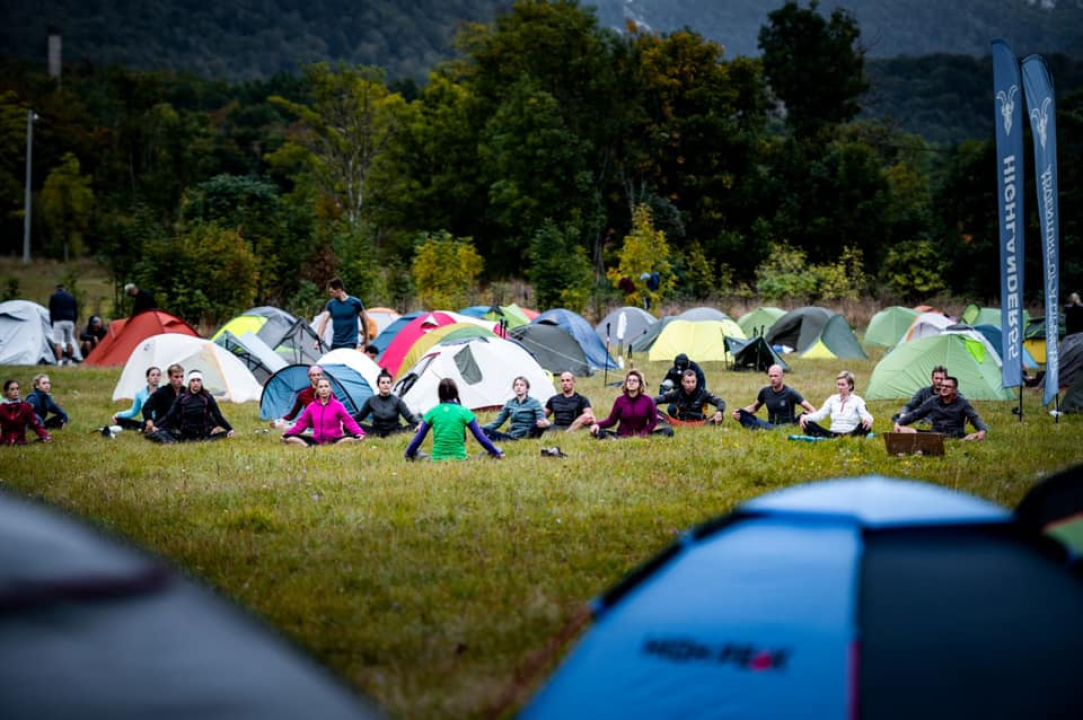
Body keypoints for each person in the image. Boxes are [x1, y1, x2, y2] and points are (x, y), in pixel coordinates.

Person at [405, 378, 504, 461]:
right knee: (496, 450)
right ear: (455, 393)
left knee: (417, 453)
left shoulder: (432, 412)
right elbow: (481, 438)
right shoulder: (465, 412)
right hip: (460, 459)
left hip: (436, 460)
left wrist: (408, 454)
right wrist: (496, 453)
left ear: (439, 395)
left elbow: (418, 439)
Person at [894, 375, 988, 441]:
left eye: (947, 386)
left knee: (975, 437)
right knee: (904, 430)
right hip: (934, 435)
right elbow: (917, 414)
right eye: (942, 386)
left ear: (954, 389)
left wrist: (982, 430)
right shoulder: (933, 400)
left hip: (956, 436)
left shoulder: (963, 402)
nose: (943, 388)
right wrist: (899, 422)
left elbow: (974, 418)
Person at [149, 370, 234, 443]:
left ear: (201, 382)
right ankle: (169, 441)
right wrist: (156, 426)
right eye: (193, 381)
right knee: (157, 433)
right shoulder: (182, 397)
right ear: (189, 383)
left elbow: (217, 415)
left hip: (203, 434)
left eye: (198, 380)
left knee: (227, 433)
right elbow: (170, 415)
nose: (196, 383)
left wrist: (229, 429)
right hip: (186, 435)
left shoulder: (207, 397)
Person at [590, 370, 673, 439]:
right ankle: (614, 439)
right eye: (629, 380)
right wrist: (597, 424)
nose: (631, 383)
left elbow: (653, 422)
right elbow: (611, 421)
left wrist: (642, 434)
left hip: (642, 435)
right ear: (626, 383)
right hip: (621, 436)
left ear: (640, 384)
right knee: (598, 433)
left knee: (668, 431)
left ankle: (614, 440)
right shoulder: (620, 400)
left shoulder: (647, 400)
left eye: (634, 381)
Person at [283, 378, 366, 446]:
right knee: (291, 438)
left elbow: (349, 422)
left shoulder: (338, 405)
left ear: (330, 389)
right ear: (317, 390)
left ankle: (338, 445)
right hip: (316, 440)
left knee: (349, 439)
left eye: (326, 386)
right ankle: (306, 446)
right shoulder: (312, 406)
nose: (323, 389)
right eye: (321, 387)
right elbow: (300, 425)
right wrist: (287, 434)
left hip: (335, 440)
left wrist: (359, 433)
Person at [733, 364, 816, 430]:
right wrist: (739, 413)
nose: (773, 379)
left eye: (776, 376)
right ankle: (759, 428)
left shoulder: (790, 392)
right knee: (742, 413)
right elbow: (754, 408)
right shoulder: (765, 391)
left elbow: (812, 409)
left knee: (804, 415)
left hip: (788, 426)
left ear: (782, 375)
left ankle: (758, 428)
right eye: (770, 376)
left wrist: (805, 417)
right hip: (769, 425)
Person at [799, 370, 874, 438]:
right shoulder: (832, 399)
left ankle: (849, 438)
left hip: (851, 433)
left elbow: (865, 415)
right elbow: (820, 415)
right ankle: (830, 438)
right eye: (838, 384)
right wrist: (806, 418)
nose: (840, 387)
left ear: (850, 386)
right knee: (807, 423)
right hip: (832, 434)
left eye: (843, 385)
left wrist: (868, 419)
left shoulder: (858, 400)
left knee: (866, 426)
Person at [354, 370, 419, 437]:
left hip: (395, 432)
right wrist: (345, 421)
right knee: (350, 425)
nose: (386, 385)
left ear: (391, 385)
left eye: (388, 382)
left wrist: (419, 423)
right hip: (376, 432)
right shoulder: (371, 400)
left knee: (415, 426)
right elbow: (360, 416)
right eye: (383, 383)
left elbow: (409, 417)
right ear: (378, 385)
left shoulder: (397, 401)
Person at [482, 377, 546, 441]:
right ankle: (507, 439)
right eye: (516, 385)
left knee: (538, 424)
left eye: (521, 385)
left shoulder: (534, 402)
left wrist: (542, 422)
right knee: (484, 431)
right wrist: (480, 429)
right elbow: (496, 423)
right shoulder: (509, 403)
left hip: (529, 432)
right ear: (513, 388)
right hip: (512, 435)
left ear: (527, 389)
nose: (518, 387)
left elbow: (541, 419)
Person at [315, 277, 369, 351]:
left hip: (350, 342)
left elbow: (364, 322)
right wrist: (318, 339)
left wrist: (366, 341)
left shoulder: (355, 303)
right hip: (336, 342)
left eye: (332, 292)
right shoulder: (331, 304)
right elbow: (324, 321)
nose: (330, 294)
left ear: (339, 290)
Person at [654, 369, 726, 424]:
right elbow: (659, 399)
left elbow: (720, 402)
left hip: (701, 423)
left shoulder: (703, 393)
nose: (691, 384)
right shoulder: (677, 393)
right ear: (682, 382)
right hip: (679, 423)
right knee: (653, 411)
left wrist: (719, 411)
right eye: (688, 382)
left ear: (696, 381)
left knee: (720, 416)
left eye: (693, 382)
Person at [1, 379, 52, 445]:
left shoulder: (25, 406)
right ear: (6, 392)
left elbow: (35, 424)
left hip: (20, 442)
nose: (16, 391)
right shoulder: (1, 407)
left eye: (17, 389)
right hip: (4, 442)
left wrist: (45, 436)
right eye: (12, 389)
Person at [114, 366, 160, 431]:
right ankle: (142, 428)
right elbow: (133, 412)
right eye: (153, 375)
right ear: (147, 378)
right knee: (119, 420)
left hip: (159, 423)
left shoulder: (164, 391)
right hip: (145, 423)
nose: (156, 377)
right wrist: (118, 414)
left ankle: (147, 429)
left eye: (158, 375)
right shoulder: (140, 394)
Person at [143, 364, 186, 433]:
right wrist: (149, 421)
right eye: (176, 377)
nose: (180, 380)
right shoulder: (161, 392)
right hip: (163, 425)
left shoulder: (186, 391)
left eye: (181, 376)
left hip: (182, 425)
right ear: (169, 377)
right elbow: (146, 407)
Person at [48, 283, 78, 365]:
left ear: (57, 289)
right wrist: (74, 322)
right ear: (64, 288)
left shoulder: (54, 296)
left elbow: (51, 311)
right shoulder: (71, 296)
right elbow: (75, 310)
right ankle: (70, 361)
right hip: (70, 321)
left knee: (58, 342)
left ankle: (59, 362)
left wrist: (51, 322)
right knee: (69, 342)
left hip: (58, 321)